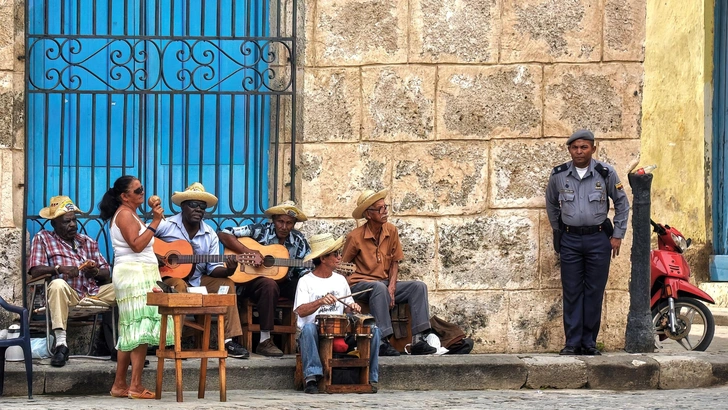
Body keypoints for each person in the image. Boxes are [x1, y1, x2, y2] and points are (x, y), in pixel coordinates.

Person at [545, 129, 630, 356]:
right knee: (572, 291)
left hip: (598, 239)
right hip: (570, 240)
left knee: (594, 291)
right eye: (575, 147)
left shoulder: (606, 173)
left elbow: (622, 204)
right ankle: (572, 343)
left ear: (593, 148)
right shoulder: (559, 175)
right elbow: (552, 205)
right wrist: (559, 231)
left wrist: (617, 235)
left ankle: (589, 343)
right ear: (569, 150)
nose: (579, 151)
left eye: (584, 147)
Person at [100, 176, 174, 399]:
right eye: (138, 190)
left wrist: (156, 257)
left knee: (130, 329)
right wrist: (155, 222)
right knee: (139, 330)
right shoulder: (124, 214)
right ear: (124, 196)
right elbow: (136, 244)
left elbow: (139, 246)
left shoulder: (129, 213)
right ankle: (135, 385)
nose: (142, 192)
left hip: (136, 273)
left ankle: (119, 385)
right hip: (135, 276)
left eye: (142, 188)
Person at [155, 182, 249, 358]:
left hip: (198, 281)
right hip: (170, 278)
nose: (198, 209)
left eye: (202, 206)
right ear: (183, 206)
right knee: (179, 287)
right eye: (193, 204)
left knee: (227, 284)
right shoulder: (165, 225)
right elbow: (140, 239)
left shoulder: (210, 233)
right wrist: (155, 256)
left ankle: (228, 341)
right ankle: (172, 341)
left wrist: (229, 270)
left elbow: (213, 269)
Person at [341, 189, 436, 356]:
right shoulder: (355, 237)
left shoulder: (391, 231)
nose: (384, 212)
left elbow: (394, 262)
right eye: (379, 209)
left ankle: (418, 339)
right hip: (360, 286)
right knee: (378, 287)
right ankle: (382, 341)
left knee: (418, 287)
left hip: (383, 284)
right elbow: (342, 267)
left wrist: (392, 288)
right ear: (368, 214)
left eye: (385, 207)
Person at [27, 195, 115, 368]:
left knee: (124, 288)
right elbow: (35, 270)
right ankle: (61, 345)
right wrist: (59, 269)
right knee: (58, 284)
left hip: (92, 294)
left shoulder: (87, 242)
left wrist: (95, 271)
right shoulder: (43, 238)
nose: (73, 225)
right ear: (54, 223)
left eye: (74, 220)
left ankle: (121, 346)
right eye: (67, 222)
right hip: (67, 296)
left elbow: (108, 273)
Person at [218, 200, 311, 357]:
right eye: (280, 221)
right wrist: (249, 252)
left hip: (284, 282)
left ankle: (308, 337)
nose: (284, 226)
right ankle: (264, 340)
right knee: (269, 284)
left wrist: (312, 278)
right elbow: (224, 233)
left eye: (289, 223)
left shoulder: (299, 240)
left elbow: (305, 268)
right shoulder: (259, 230)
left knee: (306, 286)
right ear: (273, 220)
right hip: (251, 283)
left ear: (294, 224)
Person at [294, 233, 380, 394]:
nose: (339, 257)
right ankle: (312, 377)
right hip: (317, 333)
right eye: (335, 254)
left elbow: (346, 309)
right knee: (307, 329)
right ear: (323, 259)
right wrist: (320, 301)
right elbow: (301, 311)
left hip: (340, 330)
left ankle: (370, 377)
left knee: (373, 330)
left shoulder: (340, 280)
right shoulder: (305, 281)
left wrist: (353, 306)